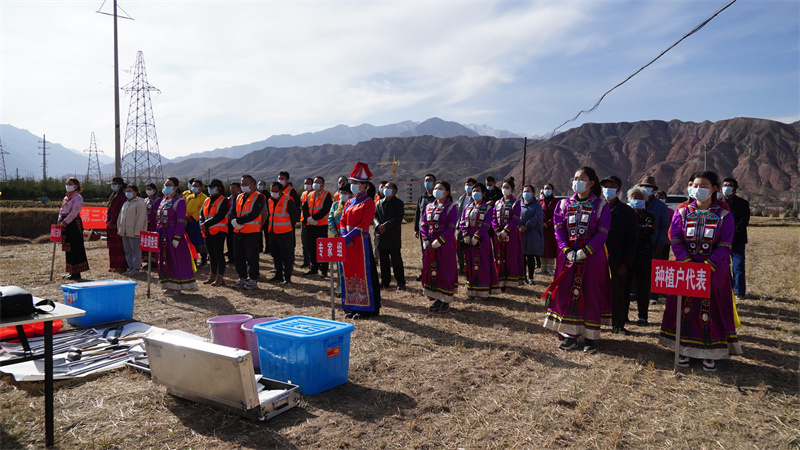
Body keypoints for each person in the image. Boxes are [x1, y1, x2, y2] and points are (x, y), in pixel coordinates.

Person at [659, 171, 742, 372]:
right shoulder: (682, 213)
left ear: (714, 188)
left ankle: (710, 352)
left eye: (703, 185)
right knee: (685, 308)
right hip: (686, 270)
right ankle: (684, 350)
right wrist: (687, 262)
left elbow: (725, 244)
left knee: (711, 310)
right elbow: (676, 239)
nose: (698, 189)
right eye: (695, 185)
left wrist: (707, 266)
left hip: (714, 271)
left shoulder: (723, 215)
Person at [542, 166, 611, 354]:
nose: (577, 181)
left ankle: (590, 337)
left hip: (593, 258)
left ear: (591, 183)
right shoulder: (564, 204)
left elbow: (602, 232)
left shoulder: (601, 206)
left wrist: (586, 251)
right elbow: (558, 229)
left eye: (581, 178)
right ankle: (570, 335)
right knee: (566, 292)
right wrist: (566, 249)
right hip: (567, 257)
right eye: (575, 178)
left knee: (591, 293)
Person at [339, 162, 381, 319]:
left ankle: (366, 309)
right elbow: (343, 220)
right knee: (349, 272)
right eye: (352, 182)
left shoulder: (369, 202)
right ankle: (351, 306)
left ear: (365, 186)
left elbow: (364, 224)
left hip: (360, 242)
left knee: (363, 273)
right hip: (347, 242)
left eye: (356, 183)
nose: (353, 185)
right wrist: (344, 235)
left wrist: (349, 237)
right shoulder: (349, 202)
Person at [600, 176, 638, 335]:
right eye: (606, 186)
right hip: (595, 257)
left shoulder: (627, 212)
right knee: (594, 290)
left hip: (617, 260)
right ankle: (593, 321)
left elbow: (631, 240)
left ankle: (618, 324)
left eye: (612, 186)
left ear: (619, 190)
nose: (608, 189)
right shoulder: (597, 208)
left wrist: (626, 263)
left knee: (618, 293)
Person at [421, 181, 459, 312]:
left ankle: (446, 300)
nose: (436, 190)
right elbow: (423, 224)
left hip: (444, 244)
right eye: (435, 188)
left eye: (440, 188)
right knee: (433, 269)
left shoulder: (451, 207)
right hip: (430, 244)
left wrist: (438, 242)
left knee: (445, 270)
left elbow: (451, 228)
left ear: (447, 192)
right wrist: (426, 240)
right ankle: (436, 298)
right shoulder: (429, 207)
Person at [157, 177, 198, 296]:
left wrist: (177, 237)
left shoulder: (179, 202)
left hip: (172, 234)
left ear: (176, 187)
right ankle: (168, 285)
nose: (166, 187)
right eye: (165, 184)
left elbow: (180, 221)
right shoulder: (163, 201)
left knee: (175, 260)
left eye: (169, 185)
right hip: (162, 234)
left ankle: (177, 287)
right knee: (165, 260)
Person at [461, 183, 499, 300]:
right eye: (473, 191)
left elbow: (487, 224)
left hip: (482, 239)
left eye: (477, 191)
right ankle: (471, 291)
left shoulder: (488, 208)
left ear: (483, 193)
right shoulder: (467, 207)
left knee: (481, 264)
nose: (474, 193)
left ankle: (482, 292)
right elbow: (462, 222)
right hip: (468, 240)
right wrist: (465, 234)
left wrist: (477, 236)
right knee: (470, 263)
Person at [637, 176, 671, 304]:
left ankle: (653, 295)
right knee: (640, 269)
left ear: (653, 189)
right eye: (644, 186)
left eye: (649, 187)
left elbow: (665, 225)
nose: (646, 189)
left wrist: (661, 242)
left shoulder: (660, 206)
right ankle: (637, 292)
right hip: (639, 242)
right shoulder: (637, 201)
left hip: (654, 242)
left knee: (655, 269)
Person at [626, 186, 656, 326]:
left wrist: (633, 229)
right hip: (627, 256)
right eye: (634, 197)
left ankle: (643, 317)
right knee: (625, 288)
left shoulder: (649, 216)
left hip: (644, 256)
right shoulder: (626, 214)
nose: (636, 200)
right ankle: (623, 315)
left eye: (639, 198)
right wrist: (638, 229)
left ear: (644, 200)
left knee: (643, 288)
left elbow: (649, 230)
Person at [231, 174, 266, 290]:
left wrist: (239, 221)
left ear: (253, 185)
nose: (243, 186)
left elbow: (255, 213)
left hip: (251, 232)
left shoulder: (259, 197)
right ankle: (242, 277)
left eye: (245, 184)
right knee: (238, 255)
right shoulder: (239, 196)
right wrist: (234, 220)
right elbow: (233, 211)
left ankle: (253, 279)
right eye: (242, 184)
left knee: (252, 256)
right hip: (238, 231)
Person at [373, 182, 406, 290]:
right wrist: (378, 225)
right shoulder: (379, 203)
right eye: (384, 187)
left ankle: (400, 282)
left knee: (396, 260)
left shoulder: (398, 203)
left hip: (393, 235)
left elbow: (398, 218)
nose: (385, 189)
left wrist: (385, 226)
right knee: (383, 261)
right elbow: (375, 216)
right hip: (381, 236)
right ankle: (385, 281)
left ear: (394, 191)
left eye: (388, 187)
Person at [492, 177, 524, 291]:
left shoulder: (516, 203)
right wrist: (497, 231)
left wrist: (505, 231)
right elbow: (494, 218)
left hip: (511, 234)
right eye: (503, 187)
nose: (505, 189)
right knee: (499, 256)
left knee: (510, 257)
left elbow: (515, 218)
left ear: (512, 189)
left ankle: (510, 283)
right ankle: (500, 281)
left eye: (507, 187)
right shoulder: (497, 203)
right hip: (498, 235)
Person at [266, 181, 299, 285]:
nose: (273, 193)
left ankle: (287, 277)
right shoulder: (269, 201)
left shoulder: (288, 200)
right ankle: (278, 275)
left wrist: (289, 228)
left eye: (276, 191)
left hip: (284, 233)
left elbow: (294, 217)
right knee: (276, 255)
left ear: (281, 191)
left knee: (286, 256)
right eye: (272, 191)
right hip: (272, 233)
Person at [199, 179, 230, 287]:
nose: (210, 189)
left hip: (218, 231)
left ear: (219, 188)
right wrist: (201, 223)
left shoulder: (224, 200)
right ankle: (212, 275)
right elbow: (201, 213)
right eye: (209, 187)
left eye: (212, 187)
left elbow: (220, 215)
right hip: (207, 231)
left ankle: (220, 277)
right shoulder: (207, 200)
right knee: (211, 255)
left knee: (219, 255)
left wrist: (205, 224)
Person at [723, 177, 750, 300]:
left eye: (729, 185)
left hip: (737, 240)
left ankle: (739, 291)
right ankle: (727, 289)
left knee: (738, 266)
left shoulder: (743, 204)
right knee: (723, 266)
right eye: (725, 185)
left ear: (734, 189)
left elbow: (743, 221)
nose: (726, 187)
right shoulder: (718, 203)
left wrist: (732, 234)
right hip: (721, 241)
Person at [58, 177, 89, 280]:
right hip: (65, 223)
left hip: (73, 224)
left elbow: (74, 212)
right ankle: (71, 271)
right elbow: (61, 210)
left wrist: (65, 222)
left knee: (75, 247)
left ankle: (77, 272)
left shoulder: (77, 197)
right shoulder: (66, 198)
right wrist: (59, 221)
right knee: (68, 248)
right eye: (67, 183)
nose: (67, 185)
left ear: (75, 186)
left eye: (70, 183)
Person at [303, 176, 333, 278]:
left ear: (322, 185)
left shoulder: (327, 195)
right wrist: (308, 218)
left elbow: (325, 209)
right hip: (311, 225)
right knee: (311, 248)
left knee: (322, 248)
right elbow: (305, 207)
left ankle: (324, 270)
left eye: (317, 182)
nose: (315, 184)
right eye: (314, 182)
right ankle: (314, 268)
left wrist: (314, 218)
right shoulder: (310, 194)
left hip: (321, 225)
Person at [117, 185, 147, 277]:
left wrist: (138, 231)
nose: (128, 193)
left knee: (135, 251)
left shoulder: (139, 203)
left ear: (135, 192)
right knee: (128, 250)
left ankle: (136, 268)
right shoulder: (125, 203)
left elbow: (141, 218)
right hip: (125, 231)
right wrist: (120, 228)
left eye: (130, 191)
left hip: (134, 232)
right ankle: (130, 267)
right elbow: (120, 217)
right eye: (126, 191)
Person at [329, 183, 351, 296]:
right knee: (339, 265)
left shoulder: (352, 205)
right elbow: (330, 219)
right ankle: (340, 288)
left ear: (351, 194)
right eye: (341, 193)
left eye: (345, 193)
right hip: (337, 237)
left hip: (350, 238)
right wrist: (335, 233)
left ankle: (350, 287)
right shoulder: (335, 205)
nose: (342, 195)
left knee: (350, 264)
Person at [414, 174, 437, 281]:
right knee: (424, 252)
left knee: (435, 252)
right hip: (423, 230)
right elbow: (418, 213)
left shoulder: (438, 198)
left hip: (435, 230)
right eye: (425, 180)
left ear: (435, 183)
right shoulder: (421, 198)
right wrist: (416, 229)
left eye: (429, 180)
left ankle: (435, 272)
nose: (427, 182)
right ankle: (425, 272)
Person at [519, 184, 543, 285]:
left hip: (532, 233)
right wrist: (519, 226)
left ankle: (531, 277)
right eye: (524, 191)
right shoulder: (519, 204)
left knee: (530, 256)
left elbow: (537, 217)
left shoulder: (537, 205)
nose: (526, 193)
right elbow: (516, 215)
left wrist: (527, 226)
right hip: (521, 233)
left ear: (533, 193)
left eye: (528, 191)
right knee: (522, 256)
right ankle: (523, 276)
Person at [106, 176, 129, 273]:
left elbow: (119, 211)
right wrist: (108, 221)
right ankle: (114, 265)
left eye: (115, 184)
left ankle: (121, 266)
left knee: (119, 246)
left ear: (120, 185)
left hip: (117, 224)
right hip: (111, 224)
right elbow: (109, 210)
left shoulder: (123, 197)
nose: (113, 186)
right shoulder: (113, 196)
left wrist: (112, 221)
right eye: (112, 184)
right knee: (112, 246)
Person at [184, 179, 209, 268]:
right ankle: (193, 260)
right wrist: (186, 216)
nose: (193, 187)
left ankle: (204, 260)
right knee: (191, 241)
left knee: (200, 241)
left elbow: (202, 210)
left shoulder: (204, 197)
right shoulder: (189, 197)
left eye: (196, 186)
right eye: (193, 185)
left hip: (197, 222)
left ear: (201, 188)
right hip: (189, 222)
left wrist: (193, 217)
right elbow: (185, 207)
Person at [456, 178, 477, 273]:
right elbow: (459, 212)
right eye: (467, 184)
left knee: (469, 246)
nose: (468, 186)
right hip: (461, 226)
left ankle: (470, 265)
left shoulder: (475, 199)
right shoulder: (462, 198)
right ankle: (461, 265)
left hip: (471, 226)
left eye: (470, 185)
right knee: (459, 246)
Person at [539, 183, 559, 275]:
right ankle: (543, 267)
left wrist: (548, 223)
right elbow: (538, 214)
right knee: (542, 247)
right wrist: (541, 223)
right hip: (541, 228)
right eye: (545, 188)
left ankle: (550, 268)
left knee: (550, 248)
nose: (547, 190)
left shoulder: (556, 202)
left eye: (549, 188)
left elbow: (557, 215)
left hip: (551, 228)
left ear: (552, 190)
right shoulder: (540, 201)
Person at [143, 183, 162, 268]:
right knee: (146, 242)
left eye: (150, 189)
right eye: (147, 189)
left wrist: (149, 220)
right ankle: (147, 260)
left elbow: (156, 213)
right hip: (145, 224)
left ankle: (154, 261)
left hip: (153, 224)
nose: (148, 190)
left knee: (153, 241)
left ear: (154, 190)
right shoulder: (145, 200)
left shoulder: (158, 200)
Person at [299, 177, 314, 268]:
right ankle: (306, 261)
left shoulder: (314, 194)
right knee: (304, 243)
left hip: (312, 221)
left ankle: (314, 262)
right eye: (305, 183)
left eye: (308, 183)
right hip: (303, 221)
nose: (307, 185)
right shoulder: (303, 194)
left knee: (312, 243)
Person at [226, 182, 241, 264]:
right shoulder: (228, 199)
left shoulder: (240, 199)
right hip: (228, 223)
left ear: (239, 189)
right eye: (231, 188)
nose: (232, 190)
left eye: (234, 188)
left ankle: (237, 258)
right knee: (229, 241)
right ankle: (230, 258)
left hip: (237, 222)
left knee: (237, 242)